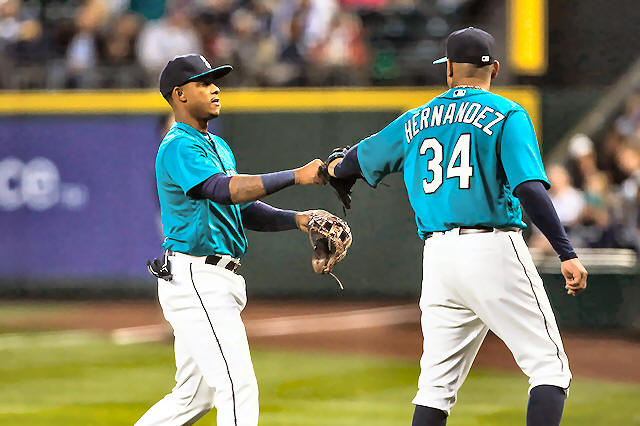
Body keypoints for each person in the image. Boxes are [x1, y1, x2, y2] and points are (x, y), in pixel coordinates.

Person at [325, 27, 588, 426]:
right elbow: (529, 188)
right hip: (492, 248)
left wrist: (333, 167)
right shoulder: (508, 113)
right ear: (494, 69)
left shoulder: (415, 119)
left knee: (435, 388)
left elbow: (352, 163)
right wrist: (566, 251)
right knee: (549, 368)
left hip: (438, 259)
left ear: (448, 69)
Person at [137, 54, 330, 426]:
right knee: (237, 388)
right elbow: (221, 189)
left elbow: (241, 208)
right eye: (204, 83)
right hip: (197, 277)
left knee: (192, 398)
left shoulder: (217, 146)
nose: (215, 89)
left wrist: (299, 220)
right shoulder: (178, 145)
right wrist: (296, 175)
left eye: (215, 82)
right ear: (179, 94)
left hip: (208, 278)